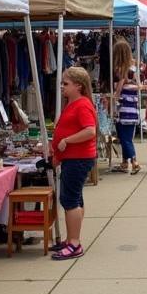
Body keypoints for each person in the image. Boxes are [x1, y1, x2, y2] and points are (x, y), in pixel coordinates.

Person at [49, 67, 97, 260]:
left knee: (69, 199)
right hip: (73, 157)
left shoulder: (82, 105)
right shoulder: (74, 103)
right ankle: (71, 239)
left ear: (78, 86)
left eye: (65, 83)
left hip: (78, 158)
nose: (61, 86)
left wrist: (66, 141)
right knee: (74, 199)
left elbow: (90, 131)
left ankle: (74, 243)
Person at [112, 38, 141, 174]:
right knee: (125, 136)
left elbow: (119, 87)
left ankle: (134, 161)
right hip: (132, 106)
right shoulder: (133, 67)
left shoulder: (118, 70)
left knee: (124, 138)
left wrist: (116, 95)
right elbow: (137, 84)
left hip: (122, 107)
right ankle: (125, 162)